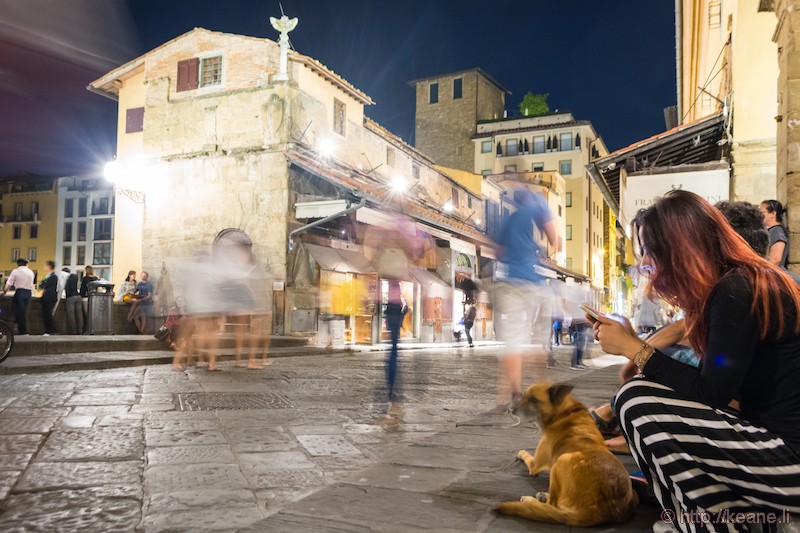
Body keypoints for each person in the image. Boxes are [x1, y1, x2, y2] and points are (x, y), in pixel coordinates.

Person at [593, 190, 800, 527]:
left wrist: (633, 348)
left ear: (680, 249)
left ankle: (713, 521)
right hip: (776, 452)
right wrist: (635, 346)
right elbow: (715, 388)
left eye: (650, 251)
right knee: (643, 393)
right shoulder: (739, 283)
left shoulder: (736, 289)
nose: (647, 263)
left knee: (635, 400)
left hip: (788, 465)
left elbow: (711, 393)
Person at [493, 187, 557, 415]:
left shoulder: (509, 219)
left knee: (513, 340)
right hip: (531, 282)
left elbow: (499, 251)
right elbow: (555, 239)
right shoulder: (539, 204)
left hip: (509, 284)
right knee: (539, 336)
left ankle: (514, 394)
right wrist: (540, 248)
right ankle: (545, 390)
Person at [384, 280, 407, 406]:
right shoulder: (397, 290)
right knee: (394, 350)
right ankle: (392, 386)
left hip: (392, 316)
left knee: (392, 351)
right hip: (395, 316)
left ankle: (391, 385)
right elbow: (404, 308)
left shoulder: (391, 284)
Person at [3, 258, 35, 335]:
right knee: (23, 312)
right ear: (26, 264)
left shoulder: (16, 271)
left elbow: (9, 282)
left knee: (19, 312)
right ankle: (21, 330)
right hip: (29, 293)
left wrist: (4, 291)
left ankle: (22, 331)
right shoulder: (31, 272)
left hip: (20, 292)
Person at [760, 199, 789, 268]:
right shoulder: (770, 231)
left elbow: (775, 259)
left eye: (761, 213)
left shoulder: (777, 231)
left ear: (773, 214)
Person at [38, 260, 58, 335]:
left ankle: (50, 330)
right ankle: (49, 330)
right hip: (46, 297)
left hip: (49, 297)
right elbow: (41, 285)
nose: (44, 267)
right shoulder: (48, 276)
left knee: (47, 314)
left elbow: (43, 285)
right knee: (46, 314)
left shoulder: (52, 276)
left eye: (46, 266)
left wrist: (43, 283)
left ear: (49, 266)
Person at [64, 269, 82, 335]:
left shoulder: (67, 279)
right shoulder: (74, 278)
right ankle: (80, 330)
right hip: (78, 297)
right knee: (79, 315)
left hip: (71, 297)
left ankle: (73, 331)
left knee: (71, 316)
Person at [79, 266, 98, 330]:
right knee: (93, 314)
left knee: (86, 315)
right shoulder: (96, 278)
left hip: (85, 298)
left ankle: (87, 328)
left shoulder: (85, 278)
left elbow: (82, 289)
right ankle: (94, 328)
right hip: (94, 298)